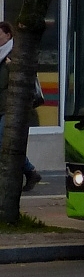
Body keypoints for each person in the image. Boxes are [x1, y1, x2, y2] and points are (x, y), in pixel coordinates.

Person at [0, 22, 41, 192]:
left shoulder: (14, 54)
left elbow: (25, 76)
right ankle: (28, 172)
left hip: (11, 108)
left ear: (8, 35)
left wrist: (12, 66)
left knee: (4, 139)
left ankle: (29, 171)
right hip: (1, 107)